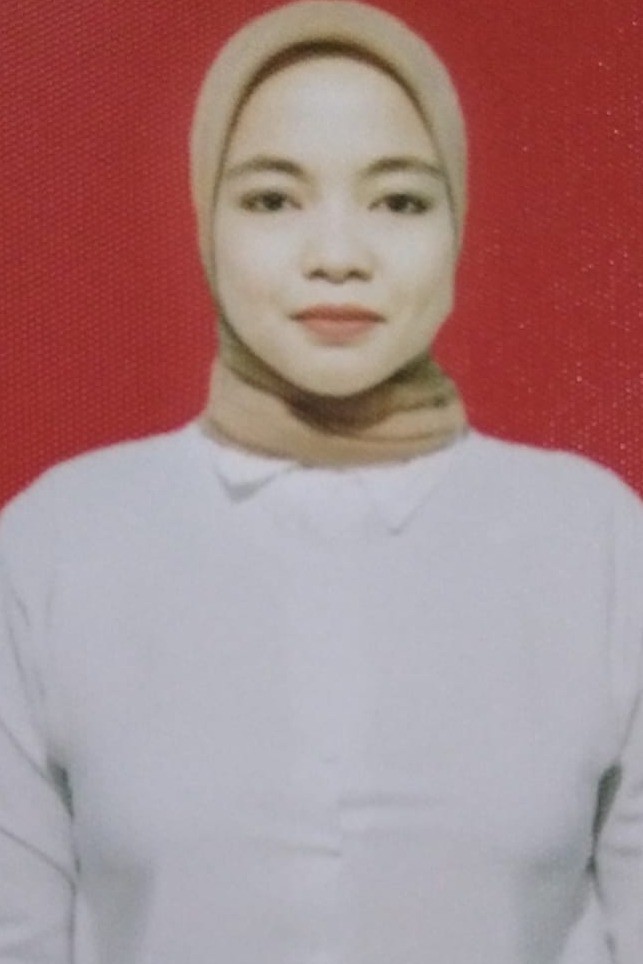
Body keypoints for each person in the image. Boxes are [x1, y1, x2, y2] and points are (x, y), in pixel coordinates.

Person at [0, 2, 641, 962]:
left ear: (456, 223)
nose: (337, 256)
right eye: (272, 200)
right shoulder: (56, 545)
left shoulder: (598, 544)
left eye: (399, 202)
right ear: (205, 221)